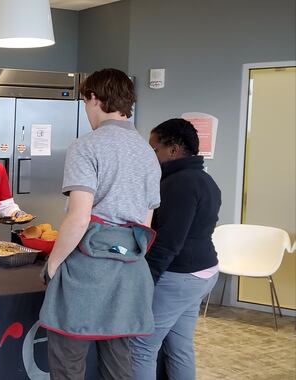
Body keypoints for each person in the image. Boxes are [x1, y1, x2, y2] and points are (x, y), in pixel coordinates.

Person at [38, 68, 161, 380]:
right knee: (119, 367)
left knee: (68, 365)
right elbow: (145, 223)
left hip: (86, 273)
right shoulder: (147, 153)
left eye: (84, 101)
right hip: (129, 274)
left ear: (93, 98)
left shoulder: (86, 145)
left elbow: (79, 218)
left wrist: (53, 265)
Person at [130, 118, 221, 380]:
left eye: (154, 149)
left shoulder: (179, 184)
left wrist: (145, 281)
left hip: (179, 276)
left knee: (141, 346)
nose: (151, 155)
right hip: (203, 273)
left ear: (173, 149)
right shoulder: (205, 180)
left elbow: (169, 242)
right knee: (179, 346)